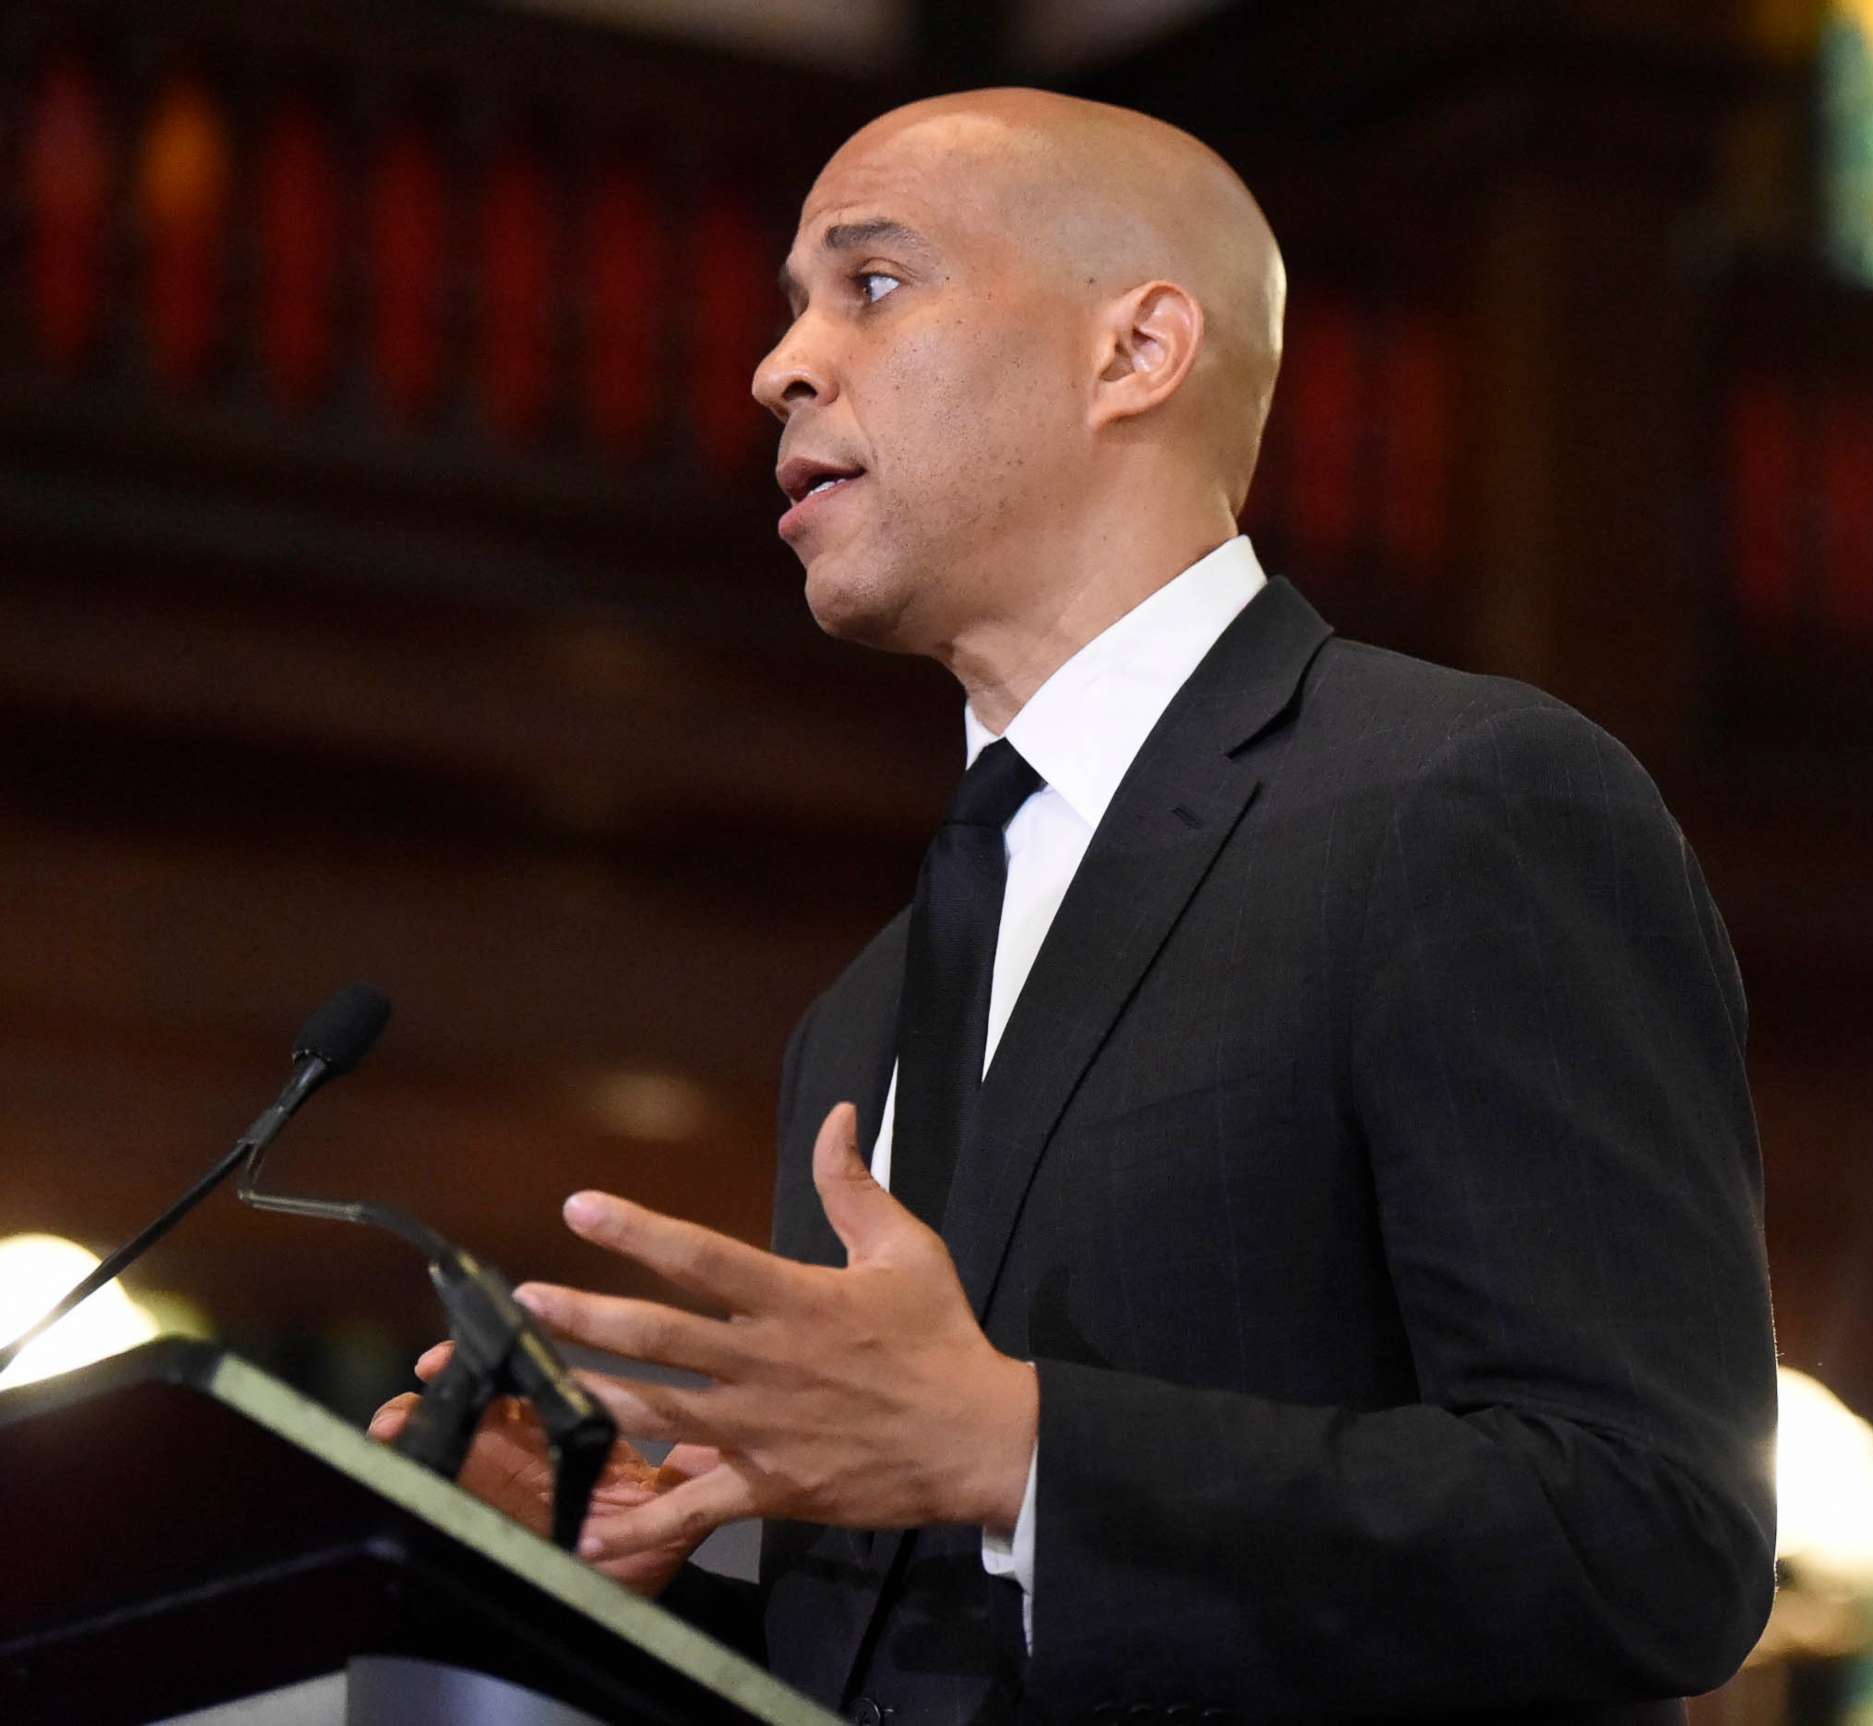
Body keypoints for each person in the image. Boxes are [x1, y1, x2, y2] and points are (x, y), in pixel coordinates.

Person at [371, 87, 1777, 1723]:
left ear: (1138, 351)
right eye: (791, 309)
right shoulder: (868, 1006)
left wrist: (1022, 1448)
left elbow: (1653, 1532)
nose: (781, 363)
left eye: (872, 284)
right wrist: (625, 1565)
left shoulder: (1460, 802)